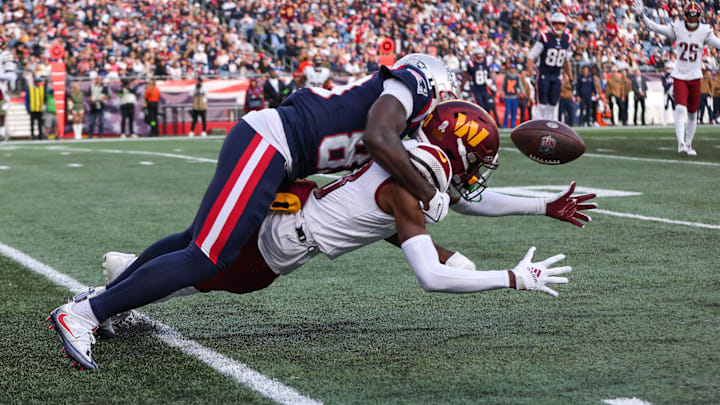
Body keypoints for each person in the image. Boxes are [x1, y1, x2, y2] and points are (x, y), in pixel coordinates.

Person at [52, 101, 596, 360]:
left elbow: (468, 200)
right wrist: (513, 279)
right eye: (477, 159)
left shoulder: (415, 160)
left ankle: (116, 290)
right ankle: (99, 304)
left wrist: (544, 206)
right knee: (203, 268)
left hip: (299, 208)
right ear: (457, 152)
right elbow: (431, 276)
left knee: (198, 245)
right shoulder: (412, 186)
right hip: (282, 242)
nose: (479, 171)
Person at [46, 53, 463, 370]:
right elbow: (376, 135)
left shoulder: (396, 125)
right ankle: (83, 315)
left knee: (197, 240)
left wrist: (437, 245)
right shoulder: (412, 84)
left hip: (278, 155)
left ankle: (105, 299)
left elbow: (383, 210)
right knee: (208, 257)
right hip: (271, 144)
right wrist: (427, 189)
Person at [635, 0, 720, 155]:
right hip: (680, 74)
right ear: (686, 17)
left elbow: (718, 43)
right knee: (680, 108)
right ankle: (681, 143)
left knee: (693, 112)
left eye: (696, 18)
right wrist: (643, 17)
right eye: (691, 17)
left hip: (695, 75)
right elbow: (656, 27)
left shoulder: (704, 31)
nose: (693, 21)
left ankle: (688, 144)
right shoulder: (678, 28)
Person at [526, 12, 574, 120]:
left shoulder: (566, 39)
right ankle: (535, 128)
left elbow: (566, 61)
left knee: (552, 105)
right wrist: (530, 70)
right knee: (542, 105)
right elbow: (531, 56)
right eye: (556, 24)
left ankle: (549, 130)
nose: (558, 26)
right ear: (552, 24)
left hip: (557, 75)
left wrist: (570, 76)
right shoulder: (545, 37)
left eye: (561, 24)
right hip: (544, 74)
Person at [87, 75, 109, 139]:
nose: (99, 80)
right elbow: (89, 95)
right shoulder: (92, 86)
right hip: (93, 105)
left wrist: (103, 98)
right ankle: (91, 135)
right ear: (96, 80)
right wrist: (91, 99)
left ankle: (100, 135)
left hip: (101, 104)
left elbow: (108, 95)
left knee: (101, 121)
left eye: (100, 79)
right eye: (98, 79)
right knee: (92, 121)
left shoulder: (104, 86)